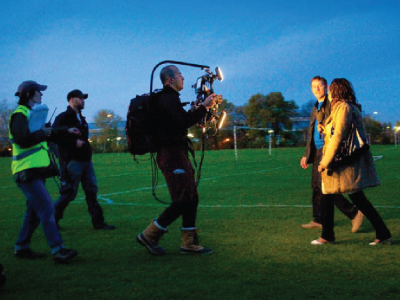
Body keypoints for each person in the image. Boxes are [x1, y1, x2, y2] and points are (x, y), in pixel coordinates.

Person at [136, 65, 217, 255]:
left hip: (177, 153)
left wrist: (200, 109)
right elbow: (182, 122)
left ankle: (189, 243)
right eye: (180, 75)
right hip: (171, 155)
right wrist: (204, 107)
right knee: (182, 199)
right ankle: (149, 235)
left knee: (191, 198)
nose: (183, 78)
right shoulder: (167, 99)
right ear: (169, 80)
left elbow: (179, 120)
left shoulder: (169, 99)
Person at [313, 78, 391, 245]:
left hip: (344, 163)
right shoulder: (345, 107)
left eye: (331, 90)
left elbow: (339, 136)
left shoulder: (343, 108)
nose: (329, 93)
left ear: (337, 91)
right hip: (344, 162)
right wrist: (324, 128)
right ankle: (328, 235)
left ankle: (382, 233)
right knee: (333, 195)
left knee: (355, 198)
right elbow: (336, 131)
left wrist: (325, 161)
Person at [10, 80, 79, 262]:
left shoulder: (32, 115)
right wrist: (44, 133)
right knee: (47, 207)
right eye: (38, 92)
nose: (41, 94)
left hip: (35, 171)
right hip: (26, 172)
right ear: (29, 94)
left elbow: (45, 133)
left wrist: (66, 130)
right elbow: (23, 139)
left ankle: (21, 246)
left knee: (33, 211)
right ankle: (58, 250)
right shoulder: (20, 115)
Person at [300, 76, 363, 232]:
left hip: (328, 149)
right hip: (317, 150)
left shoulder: (332, 103)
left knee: (327, 188)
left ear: (326, 87)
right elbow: (311, 132)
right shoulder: (316, 106)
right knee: (316, 186)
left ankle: (354, 212)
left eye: (320, 86)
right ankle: (319, 219)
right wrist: (306, 155)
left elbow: (337, 127)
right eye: (314, 86)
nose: (317, 89)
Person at [52, 89, 115, 230]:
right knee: (68, 194)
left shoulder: (81, 118)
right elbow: (55, 136)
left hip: (86, 161)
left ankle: (98, 222)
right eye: (81, 98)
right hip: (72, 161)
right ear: (72, 99)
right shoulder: (63, 117)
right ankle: (51, 221)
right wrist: (73, 143)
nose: (83, 101)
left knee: (91, 192)